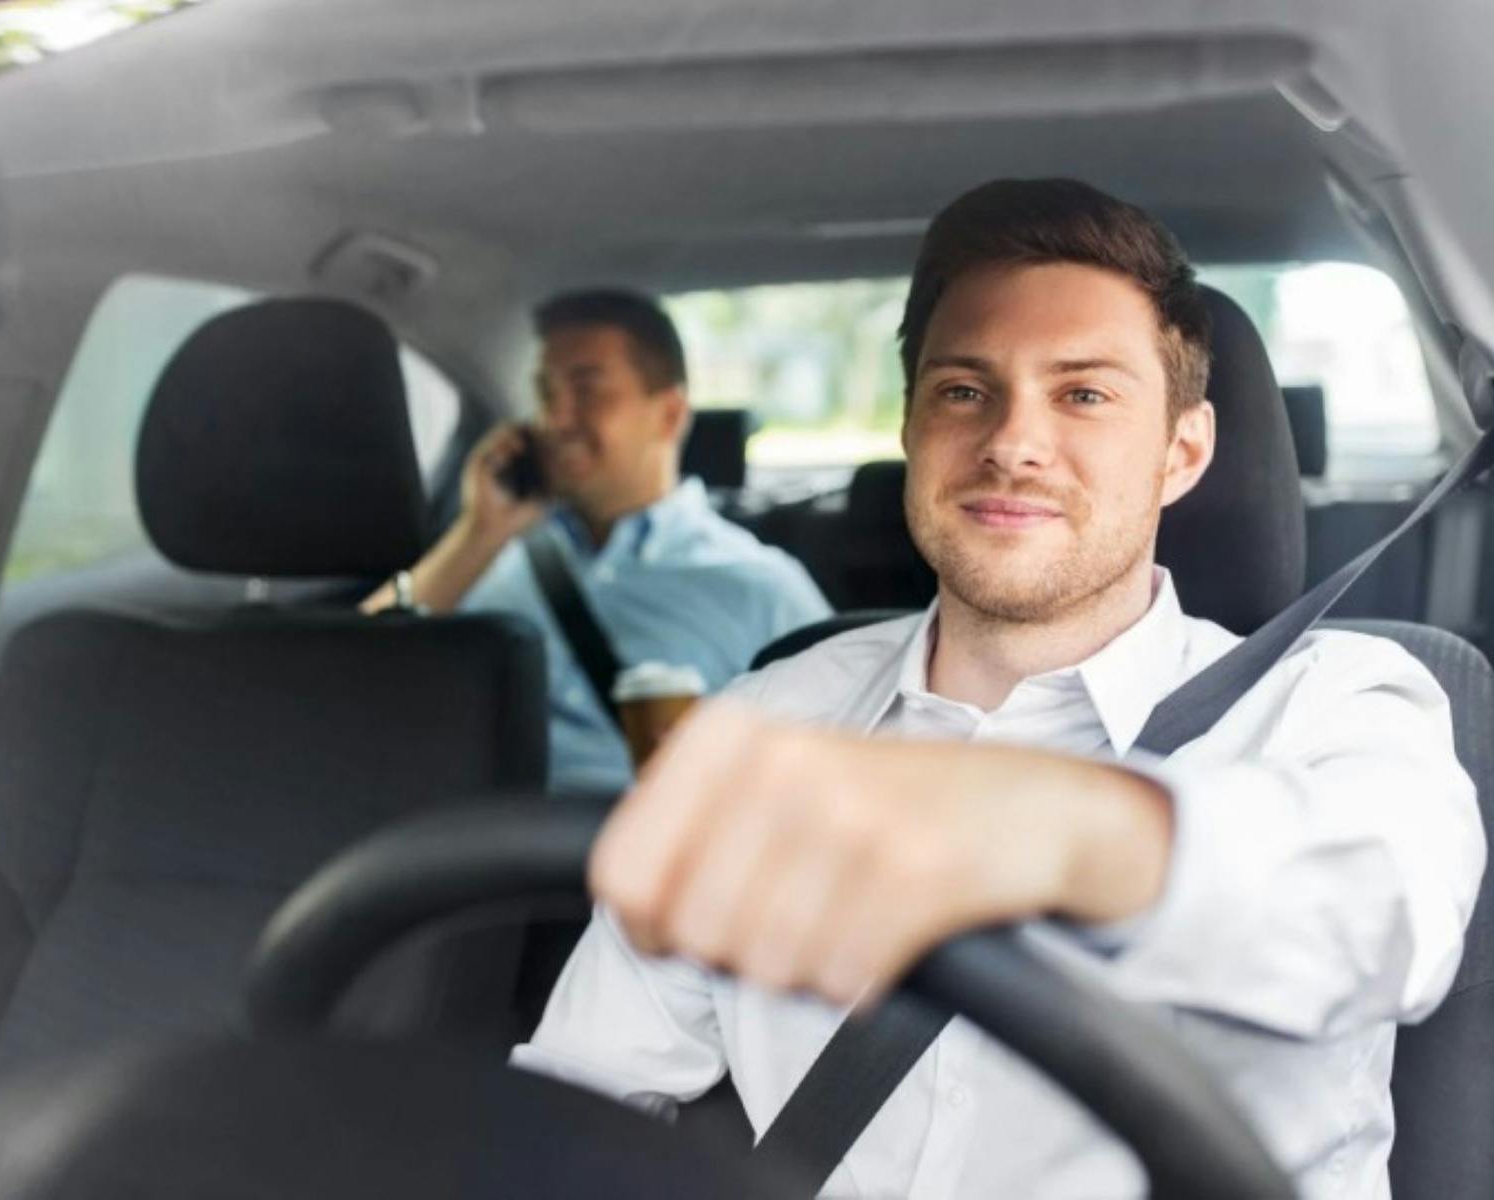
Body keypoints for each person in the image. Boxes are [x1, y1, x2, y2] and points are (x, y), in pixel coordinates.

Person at [512, 180, 1486, 1197]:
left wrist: (1066, 832)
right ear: (909, 431)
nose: (1012, 442)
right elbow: (574, 1104)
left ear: (1182, 451)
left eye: (1083, 394)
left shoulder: (1340, 703)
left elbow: (1385, 917)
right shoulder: (769, 719)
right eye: (964, 391)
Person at [364, 289, 829, 790]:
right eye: (545, 393)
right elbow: (346, 675)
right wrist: (478, 532)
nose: (554, 419)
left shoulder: (763, 588)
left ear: (669, 414)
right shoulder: (488, 557)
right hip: (470, 847)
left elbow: (835, 775)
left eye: (587, 390)